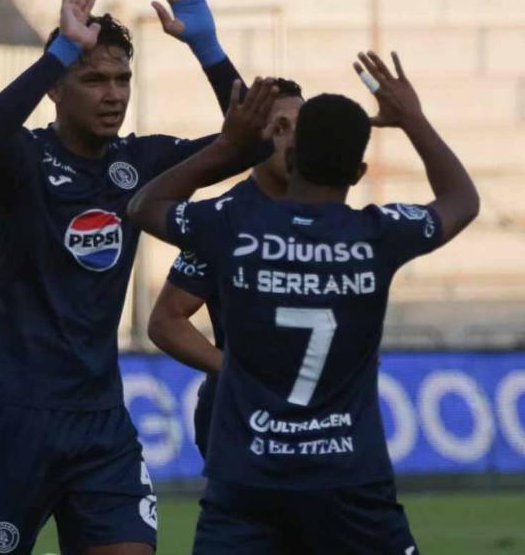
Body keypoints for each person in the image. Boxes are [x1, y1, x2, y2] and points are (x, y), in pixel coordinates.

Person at [0, 0, 247, 554]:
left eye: (122, 79)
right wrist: (61, 49)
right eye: (94, 80)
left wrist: (208, 49)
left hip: (101, 416)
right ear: (57, 89)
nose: (113, 95)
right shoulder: (23, 160)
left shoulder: (141, 164)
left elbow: (251, 141)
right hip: (18, 411)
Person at [127, 52, 479, 553]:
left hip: (248, 472)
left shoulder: (233, 229)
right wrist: (412, 120)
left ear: (291, 159)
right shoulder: (376, 235)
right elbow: (461, 201)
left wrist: (227, 147)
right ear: (359, 171)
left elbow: (144, 206)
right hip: (347, 474)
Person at [147, 77, 303, 458]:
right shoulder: (225, 218)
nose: (294, 140)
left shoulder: (332, 212)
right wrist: (235, 372)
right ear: (255, 138)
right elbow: (166, 321)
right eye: (280, 128)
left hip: (320, 417)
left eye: (303, 127)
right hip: (243, 423)